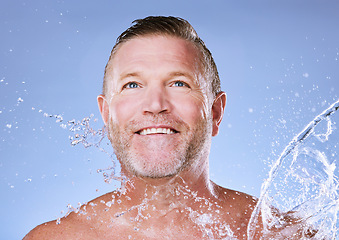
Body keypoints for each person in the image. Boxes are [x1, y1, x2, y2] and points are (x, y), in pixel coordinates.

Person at [24, 16, 313, 240]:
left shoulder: (279, 234)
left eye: (179, 83)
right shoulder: (54, 238)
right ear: (106, 112)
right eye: (132, 85)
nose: (155, 104)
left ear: (215, 112)